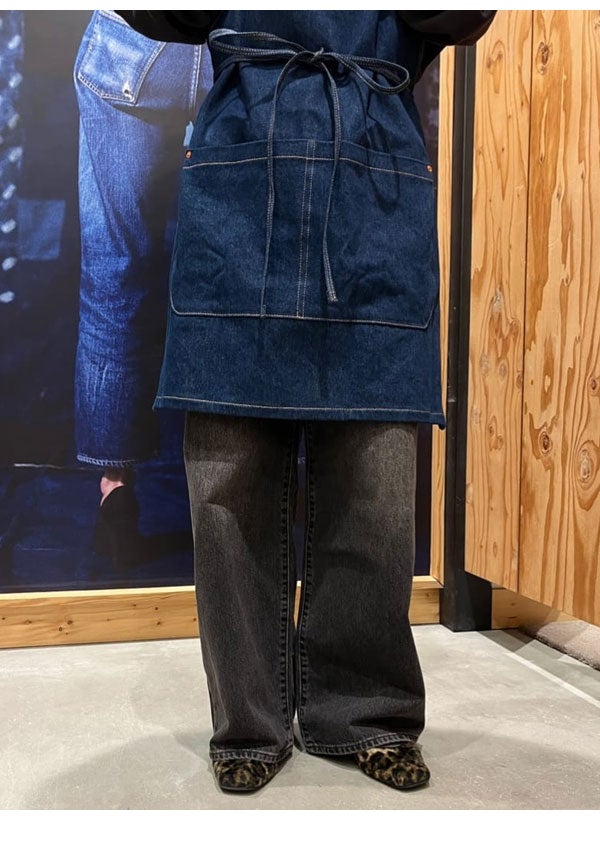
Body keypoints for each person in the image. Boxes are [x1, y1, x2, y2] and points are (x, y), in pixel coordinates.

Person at [116, 10, 496, 793]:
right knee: (229, 484)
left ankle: (366, 713)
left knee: (375, 485)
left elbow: (465, 17)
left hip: (374, 190)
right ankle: (249, 720)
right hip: (241, 190)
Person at [73, 11, 213, 566]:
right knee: (240, 270)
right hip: (236, 44)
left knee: (116, 268)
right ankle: (244, 490)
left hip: (132, 46)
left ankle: (115, 494)